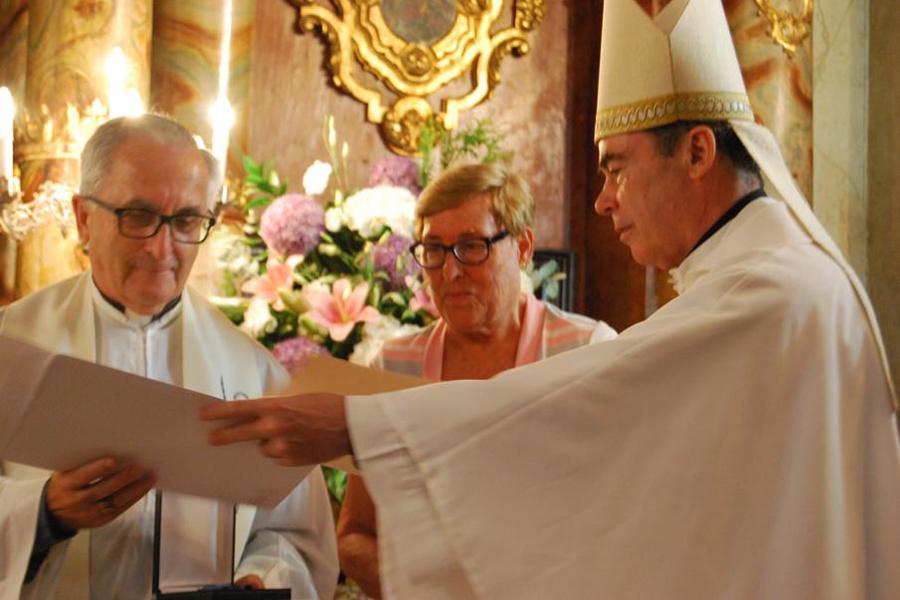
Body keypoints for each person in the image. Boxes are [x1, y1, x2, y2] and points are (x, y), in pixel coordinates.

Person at [201, 0, 900, 597]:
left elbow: (575, 401)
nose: (603, 201)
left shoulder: (769, 292)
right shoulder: (771, 276)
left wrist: (358, 425)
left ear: (695, 152)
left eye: (618, 169)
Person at [0, 114, 338, 599]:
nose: (164, 248)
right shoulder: (12, 346)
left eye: (185, 221)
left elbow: (294, 536)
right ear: (82, 218)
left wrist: (261, 579)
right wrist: (46, 513)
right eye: (138, 216)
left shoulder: (253, 370)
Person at [336, 163, 615, 598]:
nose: (449, 273)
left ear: (523, 248)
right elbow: (355, 533)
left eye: (471, 246)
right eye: (433, 250)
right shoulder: (392, 366)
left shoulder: (587, 352)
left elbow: (621, 523)